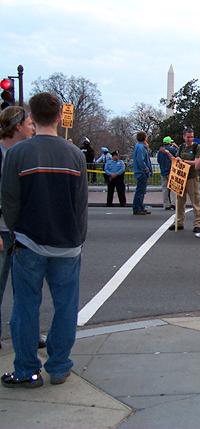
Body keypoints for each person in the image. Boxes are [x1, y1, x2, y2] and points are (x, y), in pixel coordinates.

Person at [1, 92, 88, 388]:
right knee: (66, 307)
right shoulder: (75, 154)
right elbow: (80, 204)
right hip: (68, 244)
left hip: (29, 241)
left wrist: (15, 230)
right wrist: (78, 238)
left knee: (25, 307)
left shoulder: (17, 154)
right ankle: (59, 366)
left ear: (33, 118)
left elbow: (9, 200)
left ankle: (27, 370)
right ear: (58, 118)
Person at [0, 106, 35, 349]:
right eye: (29, 123)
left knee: (26, 290)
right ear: (16, 126)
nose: (33, 127)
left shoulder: (29, 153)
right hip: (3, 230)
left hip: (24, 232)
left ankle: (26, 335)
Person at [162, 129, 200, 233]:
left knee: (196, 201)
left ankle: (198, 223)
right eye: (188, 137)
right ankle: (179, 222)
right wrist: (169, 154)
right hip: (181, 178)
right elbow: (176, 159)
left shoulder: (197, 147)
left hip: (192, 177)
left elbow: (197, 162)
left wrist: (184, 161)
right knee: (179, 202)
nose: (190, 139)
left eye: (191, 136)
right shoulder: (181, 147)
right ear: (184, 137)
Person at [132, 131, 152, 215]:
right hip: (141, 172)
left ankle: (140, 206)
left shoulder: (139, 146)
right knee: (140, 191)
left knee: (141, 191)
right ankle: (137, 208)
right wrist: (145, 168)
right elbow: (140, 160)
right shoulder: (140, 147)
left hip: (140, 171)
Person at [157, 136, 177, 210]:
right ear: (170, 142)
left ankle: (166, 204)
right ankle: (173, 203)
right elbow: (178, 156)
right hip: (171, 171)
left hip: (163, 171)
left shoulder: (160, 151)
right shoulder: (173, 149)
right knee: (173, 189)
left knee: (164, 189)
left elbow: (158, 161)